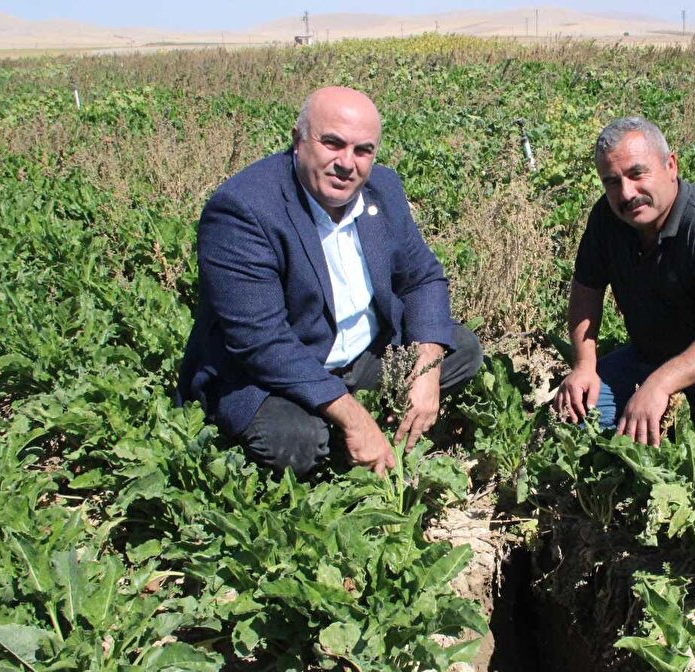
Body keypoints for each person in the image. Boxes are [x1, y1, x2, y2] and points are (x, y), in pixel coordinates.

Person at [177, 86, 482, 477]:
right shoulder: (243, 211)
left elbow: (421, 279)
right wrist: (355, 420)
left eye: (362, 150)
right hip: (276, 372)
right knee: (296, 443)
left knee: (461, 349)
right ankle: (343, 430)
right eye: (332, 143)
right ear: (298, 140)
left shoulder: (383, 190)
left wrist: (426, 371)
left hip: (361, 354)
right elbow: (262, 343)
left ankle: (356, 415)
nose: (346, 163)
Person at [554, 116, 695, 446]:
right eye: (612, 182)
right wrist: (584, 365)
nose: (627, 193)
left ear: (670, 165)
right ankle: (664, 415)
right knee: (577, 415)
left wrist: (660, 384)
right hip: (651, 355)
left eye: (637, 174)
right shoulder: (606, 217)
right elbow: (585, 293)